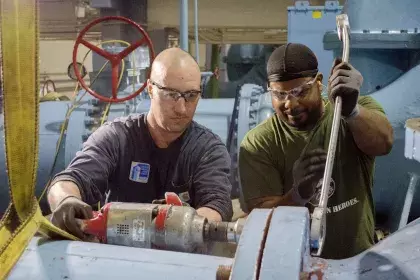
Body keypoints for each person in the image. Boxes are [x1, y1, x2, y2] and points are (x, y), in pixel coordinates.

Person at [47, 47, 233, 240]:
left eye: (191, 96)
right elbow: (70, 179)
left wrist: (179, 226)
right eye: (171, 94)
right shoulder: (117, 138)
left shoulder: (207, 150)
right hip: (116, 256)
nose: (181, 108)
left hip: (181, 260)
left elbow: (216, 205)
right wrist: (66, 200)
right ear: (150, 89)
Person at [238, 43, 393, 259]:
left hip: (358, 263)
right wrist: (298, 194)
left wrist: (353, 111)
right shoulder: (259, 143)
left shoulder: (352, 112)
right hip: (293, 268)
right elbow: (261, 221)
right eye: (279, 94)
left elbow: (384, 143)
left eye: (300, 91)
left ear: (319, 83)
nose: (290, 103)